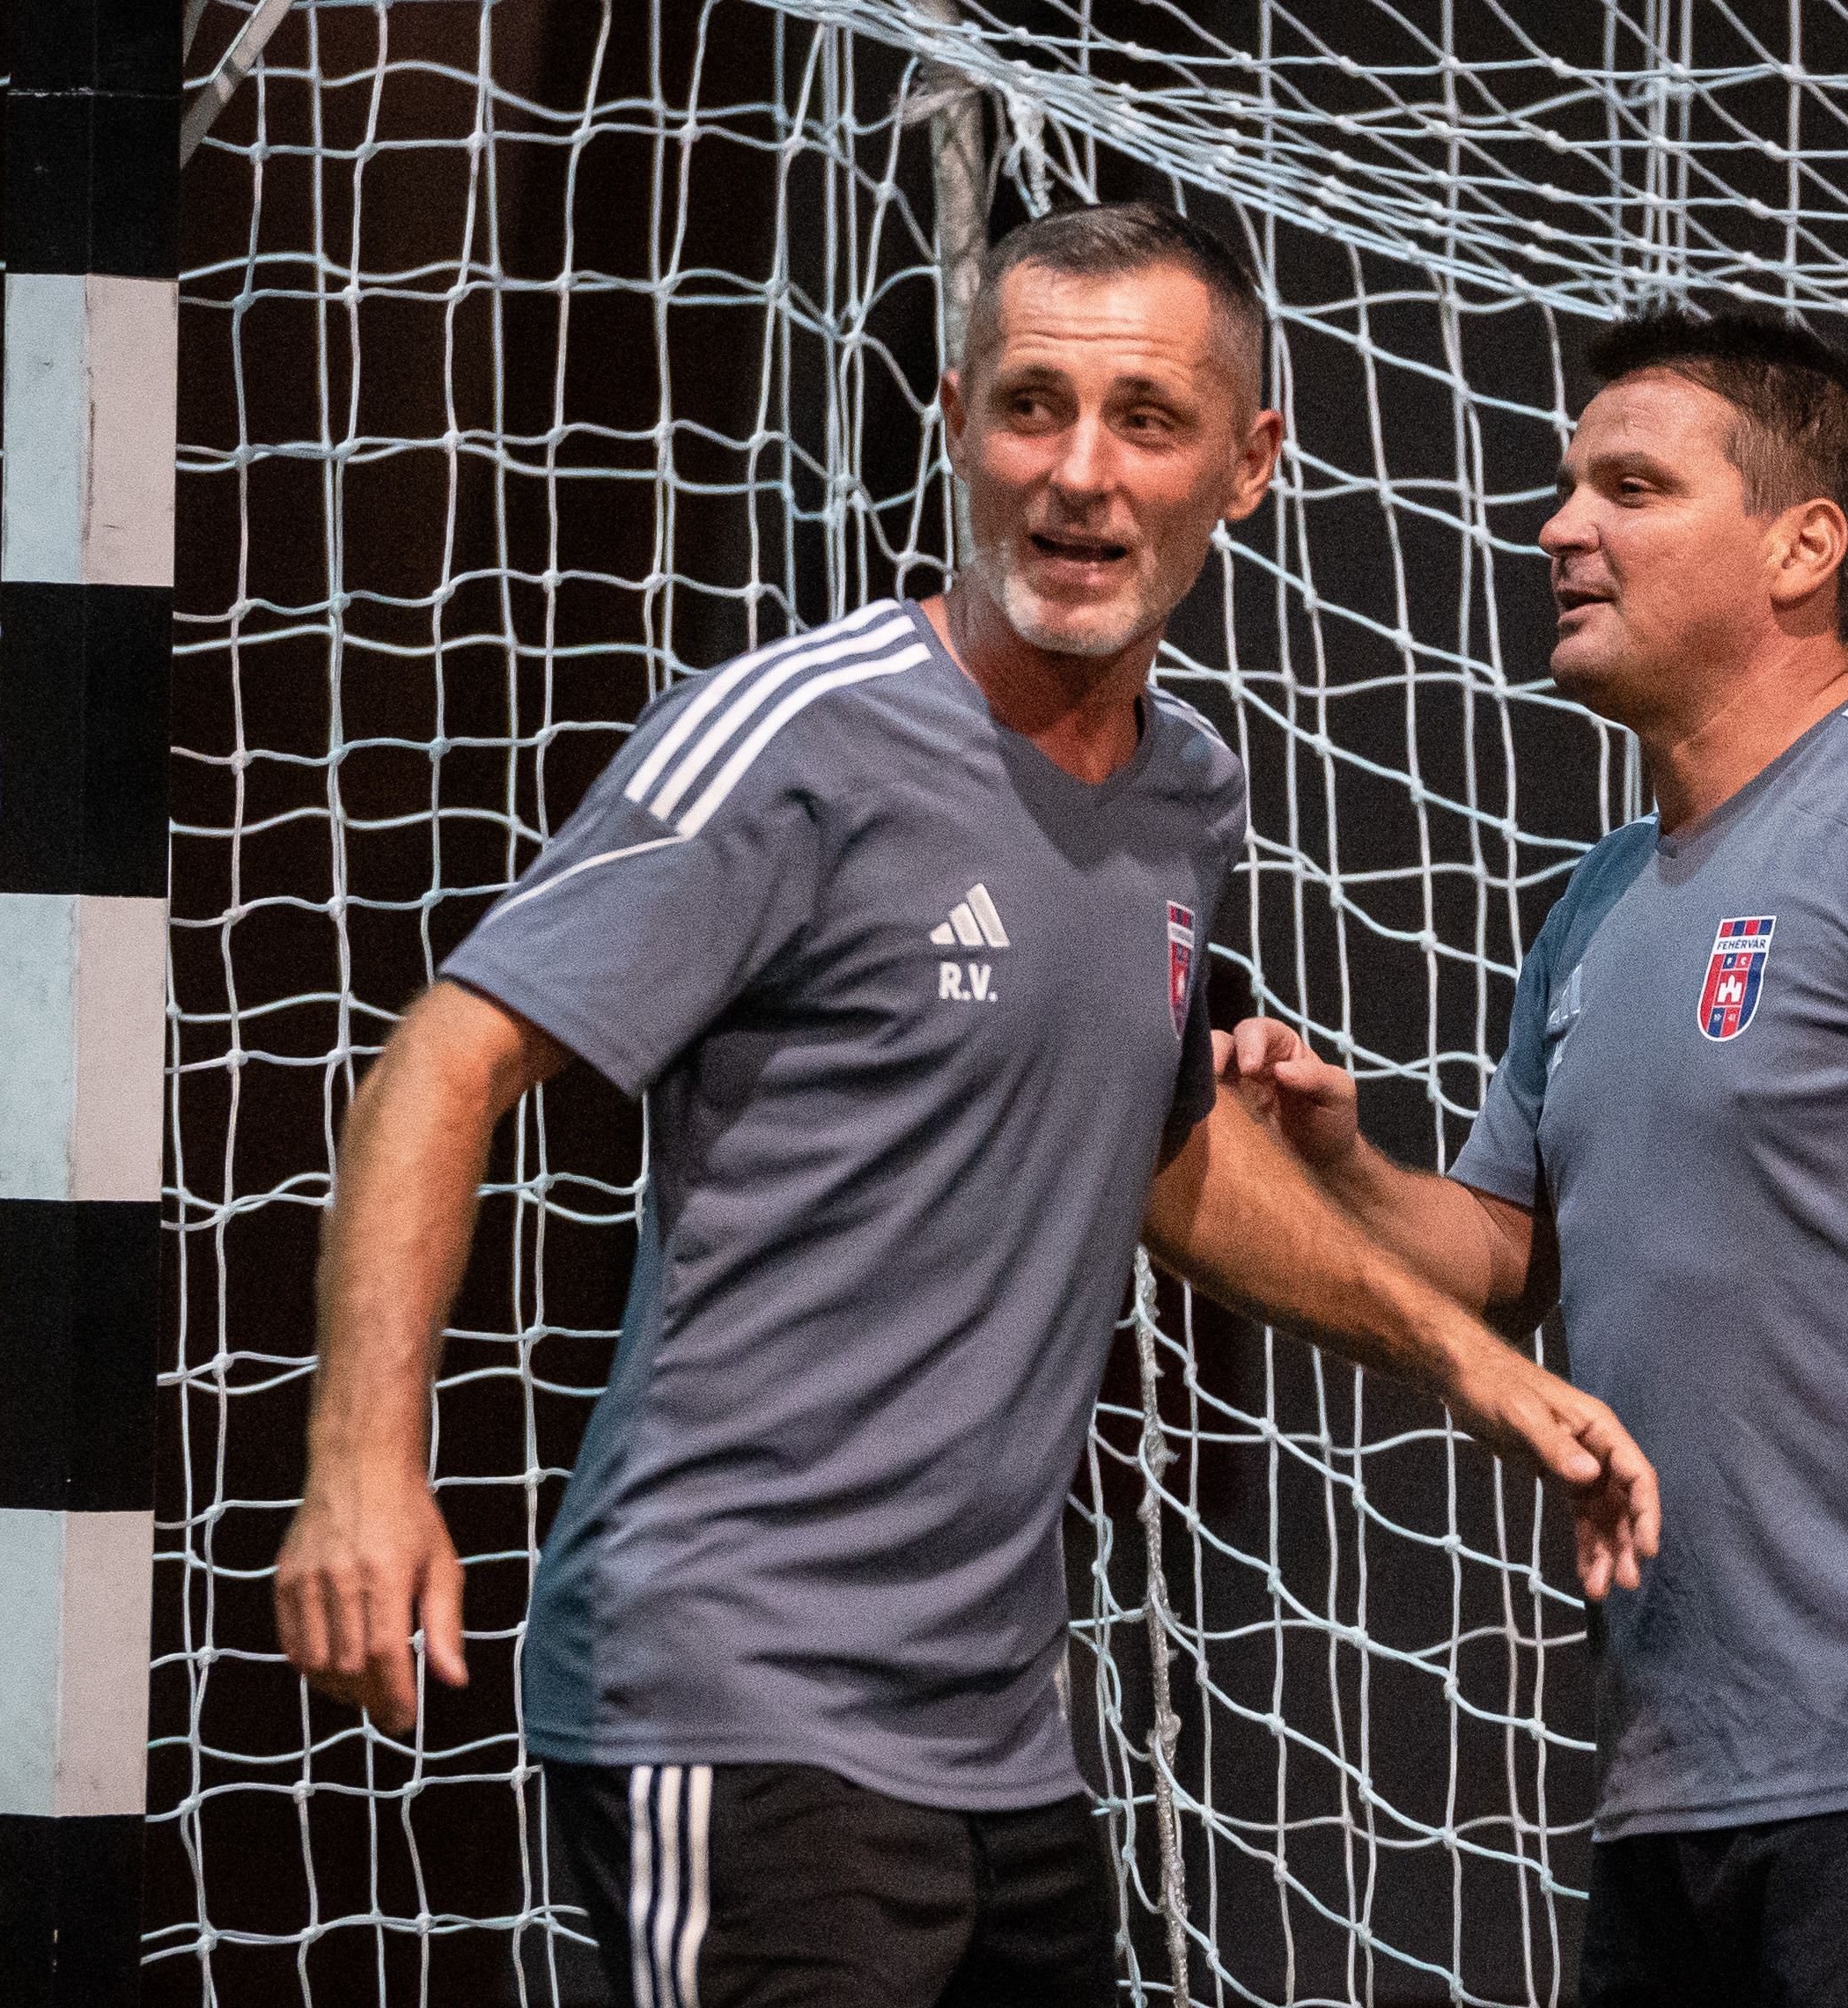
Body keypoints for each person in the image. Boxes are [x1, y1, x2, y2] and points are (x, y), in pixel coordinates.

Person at [272, 202, 1659, 2008]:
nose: (1078, 474)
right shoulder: (798, 737)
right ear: (953, 421)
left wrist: (1458, 1356)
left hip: (998, 1746)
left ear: (1246, 466)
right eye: (1030, 407)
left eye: (1144, 420)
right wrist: (361, 1467)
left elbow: (1154, 1151)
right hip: (738, 1707)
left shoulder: (1187, 791)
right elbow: (445, 1057)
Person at [1216, 311, 1848, 2008]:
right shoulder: (1596, 899)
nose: (1561, 527)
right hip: (1673, 1781)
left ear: (1802, 545)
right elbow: (1496, 1260)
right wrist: (1332, 1160)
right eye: (1568, 487)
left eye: (1630, 488)